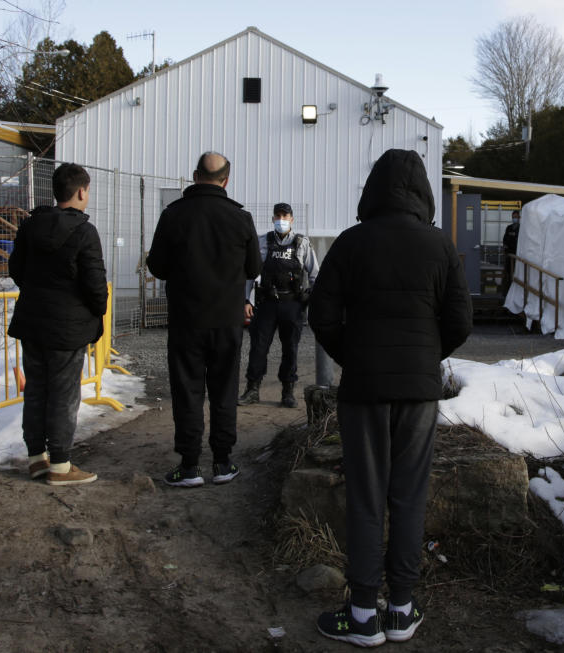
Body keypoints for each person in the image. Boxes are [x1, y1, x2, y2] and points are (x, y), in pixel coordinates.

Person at [309, 149, 472, 647]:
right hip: (419, 394)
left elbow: (322, 315)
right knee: (408, 496)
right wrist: (425, 358)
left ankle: (361, 614)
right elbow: (461, 323)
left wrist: (353, 355)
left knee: (366, 496)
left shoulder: (351, 243)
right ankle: (400, 610)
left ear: (373, 190)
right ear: (423, 193)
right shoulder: (439, 247)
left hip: (362, 391)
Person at [146, 152, 262, 488]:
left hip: (186, 319)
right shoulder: (241, 218)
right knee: (224, 390)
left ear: (195, 176)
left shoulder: (173, 215)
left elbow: (157, 266)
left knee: (188, 390)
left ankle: (190, 465)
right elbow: (254, 268)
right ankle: (223, 463)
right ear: (226, 180)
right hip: (227, 321)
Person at [8, 163, 108, 486]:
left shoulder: (30, 226)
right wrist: (96, 312)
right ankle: (62, 466)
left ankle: (37, 459)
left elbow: (17, 269)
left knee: (36, 389)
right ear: (81, 191)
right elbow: (95, 285)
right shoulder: (84, 232)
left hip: (32, 322)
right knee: (64, 395)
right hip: (68, 328)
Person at [237, 203, 319, 408]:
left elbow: (315, 274)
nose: (281, 219)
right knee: (258, 347)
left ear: (292, 219)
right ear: (273, 218)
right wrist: (246, 300)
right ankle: (252, 389)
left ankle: (288, 391)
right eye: (278, 216)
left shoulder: (302, 244)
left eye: (285, 215)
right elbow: (250, 273)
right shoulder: (263, 242)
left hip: (292, 304)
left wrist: (312, 299)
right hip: (266, 304)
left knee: (290, 348)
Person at [501, 209, 520, 292]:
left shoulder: (521, 229)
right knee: (508, 273)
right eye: (513, 217)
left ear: (519, 218)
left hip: (516, 255)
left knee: (515, 273)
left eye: (516, 217)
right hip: (508, 254)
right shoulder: (509, 228)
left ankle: (514, 290)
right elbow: (505, 239)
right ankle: (507, 290)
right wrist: (505, 247)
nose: (514, 219)